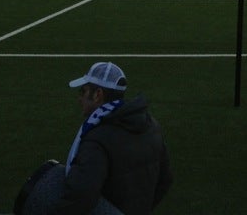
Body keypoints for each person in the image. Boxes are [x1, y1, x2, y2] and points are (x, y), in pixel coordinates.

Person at [56, 61, 172, 215]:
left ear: (98, 94)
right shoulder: (151, 125)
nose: (80, 98)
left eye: (83, 91)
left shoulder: (97, 139)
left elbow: (81, 194)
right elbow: (165, 179)